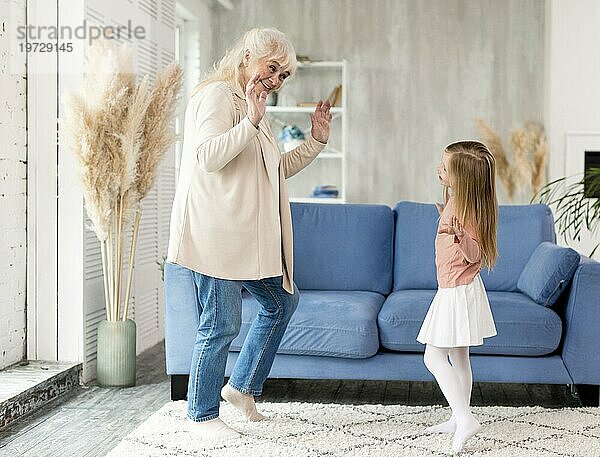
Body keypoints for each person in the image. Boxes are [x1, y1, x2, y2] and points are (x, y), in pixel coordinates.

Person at [164, 27, 332, 440]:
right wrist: (251, 122)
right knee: (220, 323)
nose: (276, 80)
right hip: (214, 232)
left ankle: (240, 388)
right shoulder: (218, 96)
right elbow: (207, 156)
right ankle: (201, 415)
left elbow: (276, 169)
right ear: (246, 58)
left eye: (284, 75)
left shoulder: (254, 105)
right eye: (272, 68)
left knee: (283, 302)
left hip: (248, 239)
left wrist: (315, 142)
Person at [416, 141, 498, 453]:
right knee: (459, 356)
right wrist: (447, 216)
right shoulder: (457, 200)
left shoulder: (469, 213)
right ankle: (457, 416)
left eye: (445, 167)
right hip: (457, 288)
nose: (440, 169)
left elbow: (475, 252)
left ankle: (465, 418)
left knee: (433, 356)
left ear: (460, 178)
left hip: (456, 291)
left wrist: (458, 233)